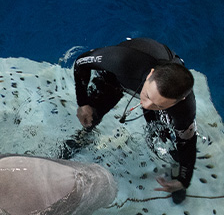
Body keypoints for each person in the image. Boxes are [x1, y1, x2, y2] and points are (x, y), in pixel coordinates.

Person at [66, 37, 196, 204]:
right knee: (91, 116)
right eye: (147, 97)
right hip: (122, 76)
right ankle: (82, 137)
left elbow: (188, 143)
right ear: (150, 75)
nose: (146, 105)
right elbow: (81, 62)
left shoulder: (184, 108)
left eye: (157, 104)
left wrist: (184, 181)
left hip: (152, 84)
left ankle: (175, 165)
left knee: (167, 135)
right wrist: (82, 102)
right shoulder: (121, 61)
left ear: (180, 100)